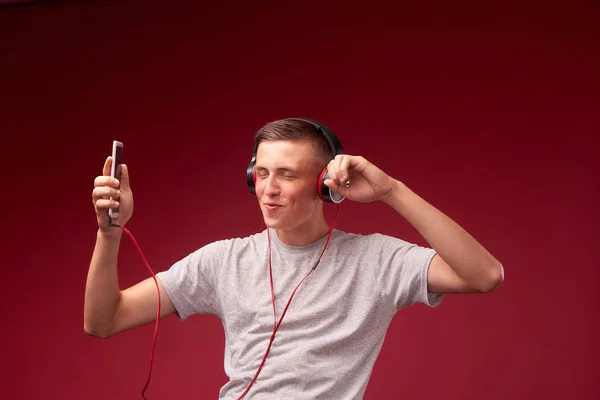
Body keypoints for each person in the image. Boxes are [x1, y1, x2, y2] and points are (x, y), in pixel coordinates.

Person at [85, 118, 504, 399]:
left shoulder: (377, 260)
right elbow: (103, 321)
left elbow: (484, 275)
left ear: (326, 186)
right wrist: (109, 234)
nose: (268, 189)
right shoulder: (222, 261)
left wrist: (391, 190)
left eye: (286, 175)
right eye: (261, 174)